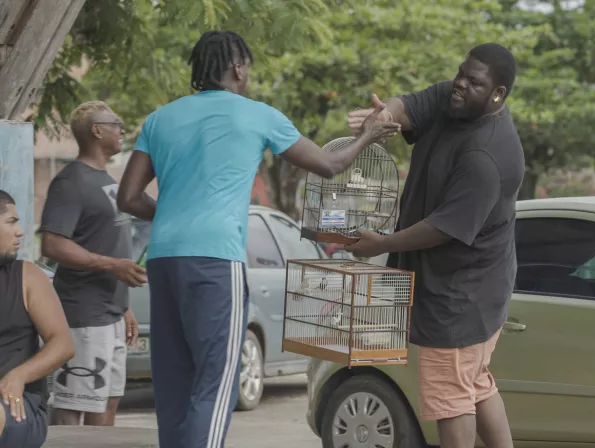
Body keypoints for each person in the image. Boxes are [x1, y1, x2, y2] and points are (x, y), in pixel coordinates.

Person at [116, 30, 400, 448]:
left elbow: (128, 196)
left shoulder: (161, 118)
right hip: (215, 259)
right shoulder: (257, 115)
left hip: (162, 256)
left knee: (175, 381)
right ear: (237, 68)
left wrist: (175, 213)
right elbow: (327, 164)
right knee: (217, 381)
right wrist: (368, 135)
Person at [346, 43, 524, 448]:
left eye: (473, 82)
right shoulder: (455, 98)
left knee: (450, 396)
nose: (460, 84)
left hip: (463, 294)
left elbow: (444, 227)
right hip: (474, 287)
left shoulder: (487, 155)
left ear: (498, 94)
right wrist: (383, 116)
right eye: (461, 73)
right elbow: (410, 105)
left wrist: (382, 244)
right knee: (473, 382)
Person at [39, 101, 144, 427]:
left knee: (107, 405)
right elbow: (53, 244)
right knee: (74, 405)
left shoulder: (106, 179)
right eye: (116, 123)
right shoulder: (71, 182)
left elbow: (103, 241)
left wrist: (123, 307)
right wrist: (113, 266)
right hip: (83, 317)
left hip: (110, 314)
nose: (122, 129)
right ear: (96, 130)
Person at [0, 190, 75, 448]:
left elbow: (63, 344)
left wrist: (19, 375)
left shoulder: (27, 276)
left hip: (17, 404)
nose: (20, 232)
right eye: (11, 222)